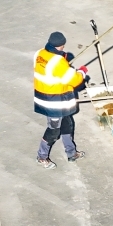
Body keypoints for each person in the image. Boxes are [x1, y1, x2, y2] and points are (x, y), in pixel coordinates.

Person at [33, 32, 86, 168]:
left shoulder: (40, 54)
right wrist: (82, 72)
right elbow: (74, 80)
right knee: (54, 130)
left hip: (46, 96)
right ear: (61, 46)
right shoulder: (58, 62)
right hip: (54, 101)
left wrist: (63, 62)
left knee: (67, 124)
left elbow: (53, 70)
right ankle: (41, 156)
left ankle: (71, 153)